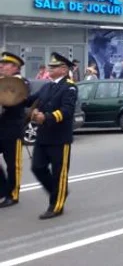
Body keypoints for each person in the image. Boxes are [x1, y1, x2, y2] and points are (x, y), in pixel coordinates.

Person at [25, 52, 77, 219]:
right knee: (37, 167)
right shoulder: (47, 86)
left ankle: (56, 205)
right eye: (50, 66)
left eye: (53, 67)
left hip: (59, 138)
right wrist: (11, 94)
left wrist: (46, 117)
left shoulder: (69, 87)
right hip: (43, 136)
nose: (50, 68)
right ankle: (59, 190)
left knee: (59, 173)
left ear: (63, 69)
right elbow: (31, 100)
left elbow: (67, 111)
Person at [0, 52, 30, 209]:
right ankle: (2, 188)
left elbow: (12, 102)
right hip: (1, 127)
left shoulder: (21, 83)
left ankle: (13, 194)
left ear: (15, 67)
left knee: (13, 164)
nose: (1, 66)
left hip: (12, 129)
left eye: (5, 64)